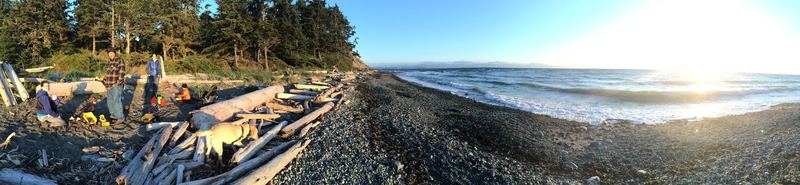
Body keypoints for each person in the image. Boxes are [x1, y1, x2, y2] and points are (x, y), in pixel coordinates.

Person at [103, 47, 126, 124]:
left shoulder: (120, 60)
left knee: (116, 101)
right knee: (110, 101)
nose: (110, 54)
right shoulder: (109, 62)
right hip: (108, 85)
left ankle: (120, 117)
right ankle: (114, 116)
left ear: (114, 53)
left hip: (116, 85)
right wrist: (104, 78)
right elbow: (109, 74)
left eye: (111, 53)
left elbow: (122, 72)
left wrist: (118, 83)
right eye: (109, 53)